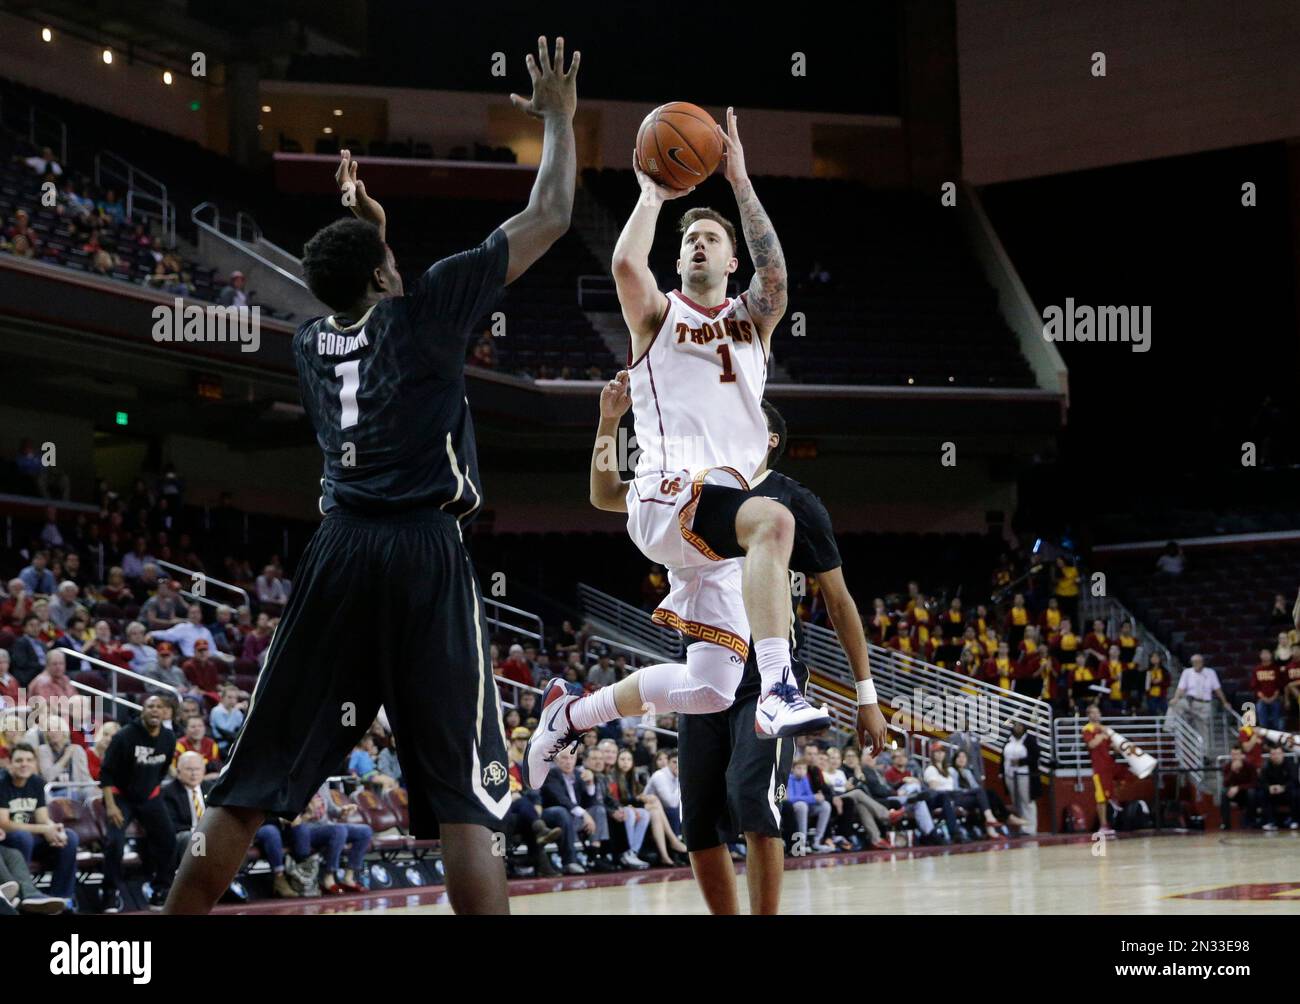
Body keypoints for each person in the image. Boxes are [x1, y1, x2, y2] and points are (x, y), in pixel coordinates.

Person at [165, 39, 581, 918]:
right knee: (466, 799)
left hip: (338, 552)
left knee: (247, 782)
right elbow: (549, 213)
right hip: (425, 552)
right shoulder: (429, 311)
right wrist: (557, 117)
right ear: (388, 275)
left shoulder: (309, 342)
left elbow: (361, 303)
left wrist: (367, 235)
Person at [526, 108, 828, 791]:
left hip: (719, 519)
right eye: (690, 236)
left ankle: (570, 714)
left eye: (711, 237)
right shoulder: (659, 316)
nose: (697, 243)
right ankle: (780, 685)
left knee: (713, 688)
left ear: (730, 259)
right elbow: (627, 262)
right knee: (773, 521)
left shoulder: (753, 321)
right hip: (670, 494)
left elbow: (776, 274)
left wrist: (741, 185)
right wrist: (654, 196)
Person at [99, 695, 178, 911]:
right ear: (143, 710)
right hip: (120, 796)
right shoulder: (124, 736)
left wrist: (152, 788)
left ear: (166, 712)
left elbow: (163, 770)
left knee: (169, 840)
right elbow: (105, 773)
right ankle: (109, 892)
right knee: (115, 842)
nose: (155, 710)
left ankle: (160, 889)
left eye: (159, 706)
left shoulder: (169, 738)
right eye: (150, 706)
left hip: (150, 796)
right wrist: (111, 805)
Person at [0, 743, 80, 906]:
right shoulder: (2, 782)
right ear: (10, 763)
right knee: (23, 837)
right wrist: (44, 828)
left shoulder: (36, 782)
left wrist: (54, 829)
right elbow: (5, 824)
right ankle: (25, 895)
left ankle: (61, 898)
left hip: (30, 836)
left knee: (70, 838)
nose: (24, 764)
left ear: (35, 763)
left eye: (29, 760)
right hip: (10, 839)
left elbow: (43, 818)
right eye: (19, 760)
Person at [1167, 654, 1233, 743]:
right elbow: (1181, 687)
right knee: (1175, 704)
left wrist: (1225, 702)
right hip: (1190, 702)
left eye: (1198, 661)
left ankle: (1204, 754)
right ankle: (1169, 727)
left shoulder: (1210, 672)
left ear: (1202, 662)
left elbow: (1217, 689)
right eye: (1194, 662)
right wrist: (1176, 698)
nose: (1196, 663)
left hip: (1205, 704)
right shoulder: (1187, 672)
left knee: (1203, 730)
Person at [1081, 703, 1118, 837]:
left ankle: (1107, 824)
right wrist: (1102, 735)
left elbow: (1113, 746)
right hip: (1098, 767)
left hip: (1108, 766)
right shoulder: (1087, 729)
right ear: (1088, 715)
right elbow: (1091, 744)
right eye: (1093, 713)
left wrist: (1118, 743)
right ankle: (1103, 825)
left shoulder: (1105, 729)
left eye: (1098, 712)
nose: (1096, 715)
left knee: (1108, 796)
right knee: (1100, 798)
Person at [1001, 720, 1041, 834]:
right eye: (1015, 726)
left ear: (1024, 727)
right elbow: (1003, 758)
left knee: (1027, 801)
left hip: (1025, 775)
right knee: (1016, 802)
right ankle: (1021, 827)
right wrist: (1001, 772)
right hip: (1010, 775)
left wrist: (1020, 762)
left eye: (1020, 726)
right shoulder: (1009, 739)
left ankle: (1030, 828)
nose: (1017, 728)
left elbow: (1035, 757)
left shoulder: (1030, 740)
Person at [1256, 743, 1299, 831]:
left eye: (1278, 753)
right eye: (1273, 754)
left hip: (1287, 793)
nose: (1275, 756)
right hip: (1273, 793)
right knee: (1261, 794)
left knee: (1295, 793)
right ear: (1270, 756)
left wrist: (1283, 787)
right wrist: (1269, 788)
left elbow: (1294, 781)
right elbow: (1262, 782)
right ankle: (1270, 822)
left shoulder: (1290, 765)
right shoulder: (1267, 767)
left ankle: (1294, 820)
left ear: (1282, 754)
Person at [1219, 745, 1256, 830]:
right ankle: (1226, 824)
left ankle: (1250, 822)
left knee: (1252, 793)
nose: (1235, 757)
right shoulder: (1227, 766)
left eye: (1237, 754)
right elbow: (1225, 784)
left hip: (1246, 792)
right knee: (1224, 792)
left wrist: (1238, 788)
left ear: (1242, 755)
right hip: (1234, 795)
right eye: (1233, 754)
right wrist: (1232, 771)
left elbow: (1254, 783)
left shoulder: (1249, 765)